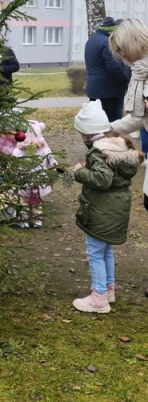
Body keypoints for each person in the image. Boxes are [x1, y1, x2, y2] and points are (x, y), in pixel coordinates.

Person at [72, 100, 142, 313]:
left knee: (95, 252)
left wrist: (80, 172)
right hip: (116, 207)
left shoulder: (98, 152)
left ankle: (99, 298)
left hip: (102, 210)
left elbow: (103, 180)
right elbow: (110, 173)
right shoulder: (118, 146)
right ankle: (108, 290)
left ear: (87, 134)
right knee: (106, 250)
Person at [108, 18, 148, 210]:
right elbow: (138, 117)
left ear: (136, 40)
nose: (121, 54)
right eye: (117, 51)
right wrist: (107, 129)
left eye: (122, 47)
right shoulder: (139, 72)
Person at [84, 16, 131, 122]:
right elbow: (113, 67)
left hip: (94, 90)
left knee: (96, 121)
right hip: (109, 92)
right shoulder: (107, 42)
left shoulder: (91, 40)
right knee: (111, 122)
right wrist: (126, 81)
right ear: (111, 31)